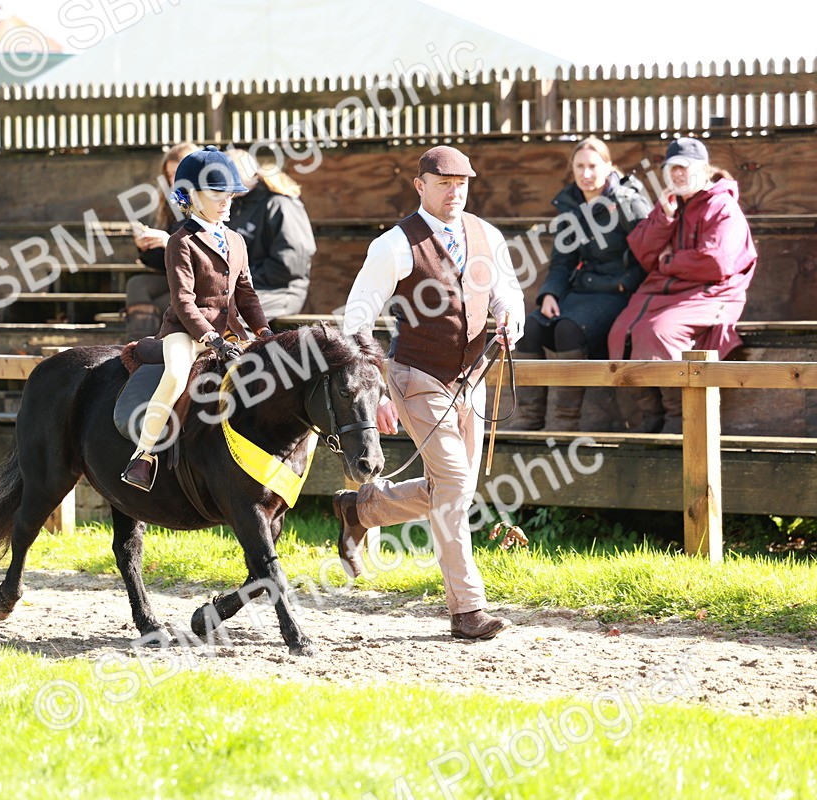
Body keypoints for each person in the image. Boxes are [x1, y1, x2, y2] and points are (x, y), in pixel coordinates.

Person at [337, 145, 525, 641]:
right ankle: (467, 610)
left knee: (452, 489)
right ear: (420, 185)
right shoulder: (395, 244)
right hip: (414, 374)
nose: (454, 191)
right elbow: (356, 321)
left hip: (474, 375)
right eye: (444, 183)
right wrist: (374, 390)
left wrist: (509, 320)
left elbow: (508, 294)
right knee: (457, 488)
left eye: (461, 183)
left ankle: (360, 509)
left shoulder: (487, 235)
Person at [121, 146, 273, 491]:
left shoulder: (236, 240)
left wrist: (263, 330)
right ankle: (143, 455)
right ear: (191, 196)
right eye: (216, 194)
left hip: (230, 331)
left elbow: (246, 293)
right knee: (175, 376)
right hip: (186, 331)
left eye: (229, 195)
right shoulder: (181, 241)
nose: (226, 202)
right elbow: (184, 301)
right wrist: (211, 339)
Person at [607, 137, 757, 433]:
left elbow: (716, 263)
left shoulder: (722, 205)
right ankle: (650, 418)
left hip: (714, 293)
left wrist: (669, 262)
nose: (677, 175)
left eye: (683, 168)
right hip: (669, 292)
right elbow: (642, 251)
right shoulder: (672, 204)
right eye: (671, 168)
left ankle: (679, 421)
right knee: (621, 330)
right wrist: (664, 217)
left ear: (702, 169)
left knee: (658, 332)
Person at [505, 137, 652, 431]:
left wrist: (624, 284)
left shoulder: (628, 201)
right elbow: (562, 262)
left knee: (568, 329)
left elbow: (650, 257)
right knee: (531, 328)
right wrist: (549, 294)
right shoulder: (570, 203)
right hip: (582, 290)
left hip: (618, 294)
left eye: (593, 166)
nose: (586, 174)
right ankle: (529, 418)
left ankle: (564, 422)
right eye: (580, 166)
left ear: (608, 166)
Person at [226, 148, 317, 320]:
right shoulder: (233, 205)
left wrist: (243, 280)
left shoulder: (280, 203)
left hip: (280, 291)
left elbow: (291, 262)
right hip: (245, 287)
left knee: (232, 318)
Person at [124, 141, 200, 341]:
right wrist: (147, 248)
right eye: (169, 175)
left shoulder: (213, 199)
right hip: (181, 277)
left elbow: (211, 252)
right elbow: (166, 262)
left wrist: (170, 242)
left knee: (158, 306)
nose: (174, 180)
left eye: (180, 172)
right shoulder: (176, 204)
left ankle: (144, 349)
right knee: (137, 284)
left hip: (204, 282)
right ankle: (138, 348)